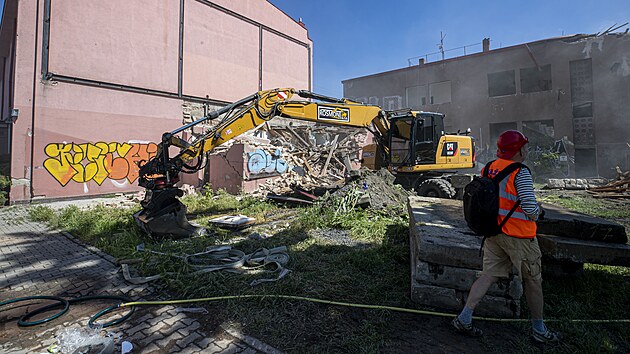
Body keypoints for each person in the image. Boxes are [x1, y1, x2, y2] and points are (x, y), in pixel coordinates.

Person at [452, 130, 560, 343]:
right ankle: (539, 330)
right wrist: (538, 211)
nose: (527, 149)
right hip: (520, 237)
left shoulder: (489, 167)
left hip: (494, 233)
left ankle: (464, 318)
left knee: (487, 275)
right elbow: (529, 208)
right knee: (533, 281)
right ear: (519, 150)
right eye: (525, 147)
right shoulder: (521, 172)